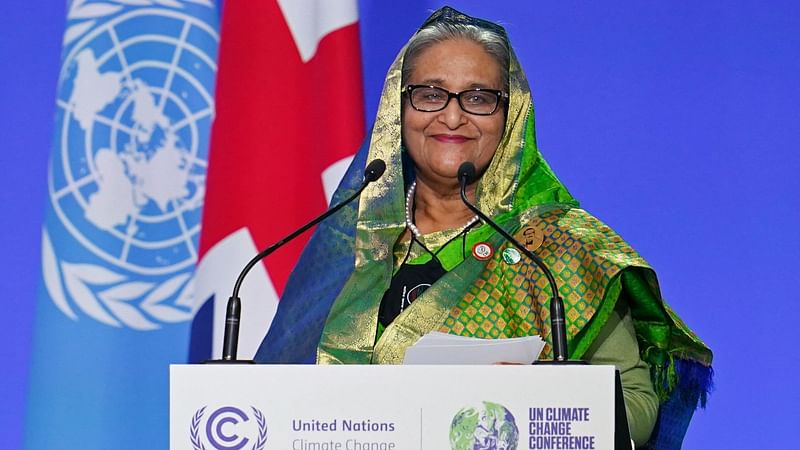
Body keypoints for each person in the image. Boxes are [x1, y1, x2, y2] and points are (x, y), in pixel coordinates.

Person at [255, 6, 712, 449]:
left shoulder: (560, 250)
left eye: (478, 98)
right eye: (430, 94)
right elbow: (271, 395)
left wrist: (538, 405)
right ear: (399, 109)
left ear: (510, 115)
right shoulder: (347, 241)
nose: (452, 117)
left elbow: (636, 404)